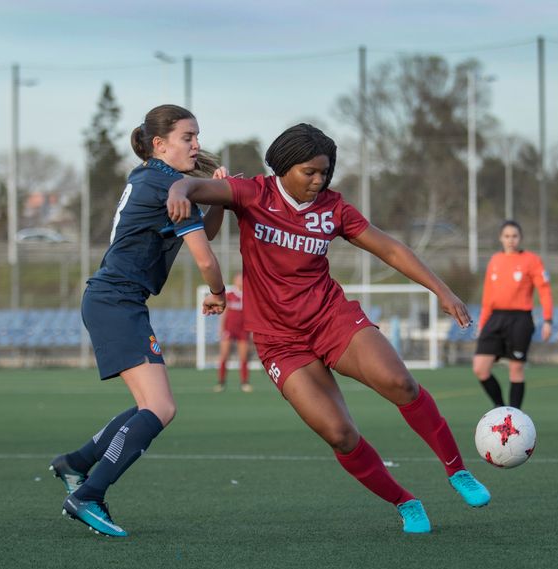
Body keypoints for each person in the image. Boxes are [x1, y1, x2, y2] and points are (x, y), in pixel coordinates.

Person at [165, 123, 491, 535]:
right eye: (309, 172)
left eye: (325, 172)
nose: (319, 181)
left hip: (331, 318)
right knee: (340, 434)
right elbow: (195, 192)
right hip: (279, 342)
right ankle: (404, 501)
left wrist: (441, 290)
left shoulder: (333, 209)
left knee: (399, 382)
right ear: (283, 167)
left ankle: (457, 471)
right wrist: (179, 190)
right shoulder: (253, 193)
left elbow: (389, 247)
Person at [48, 104, 228, 537]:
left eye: (197, 135)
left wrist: (219, 197)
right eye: (188, 137)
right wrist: (220, 295)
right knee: (160, 407)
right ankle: (88, 494)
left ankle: (77, 463)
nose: (197, 144)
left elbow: (207, 234)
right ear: (160, 144)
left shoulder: (150, 177)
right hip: (116, 301)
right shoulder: (164, 184)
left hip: (117, 299)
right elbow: (205, 259)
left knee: (153, 403)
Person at [472, 220, 553, 410]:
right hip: (495, 318)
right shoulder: (494, 260)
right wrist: (483, 323)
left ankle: (514, 416)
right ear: (501, 238)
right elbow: (487, 297)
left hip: (520, 319)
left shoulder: (531, 260)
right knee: (480, 368)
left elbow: (544, 290)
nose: (511, 240)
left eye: (514, 236)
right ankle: (500, 408)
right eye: (507, 236)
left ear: (520, 238)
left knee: (515, 368)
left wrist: (548, 319)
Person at [214, 271, 253, 393]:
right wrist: (221, 328)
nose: (240, 281)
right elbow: (224, 313)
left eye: (242, 279)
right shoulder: (229, 295)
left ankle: (244, 383)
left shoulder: (248, 296)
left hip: (243, 330)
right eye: (238, 279)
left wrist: (251, 330)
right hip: (229, 329)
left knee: (243, 357)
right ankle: (221, 382)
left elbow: (251, 315)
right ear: (235, 280)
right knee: (224, 355)